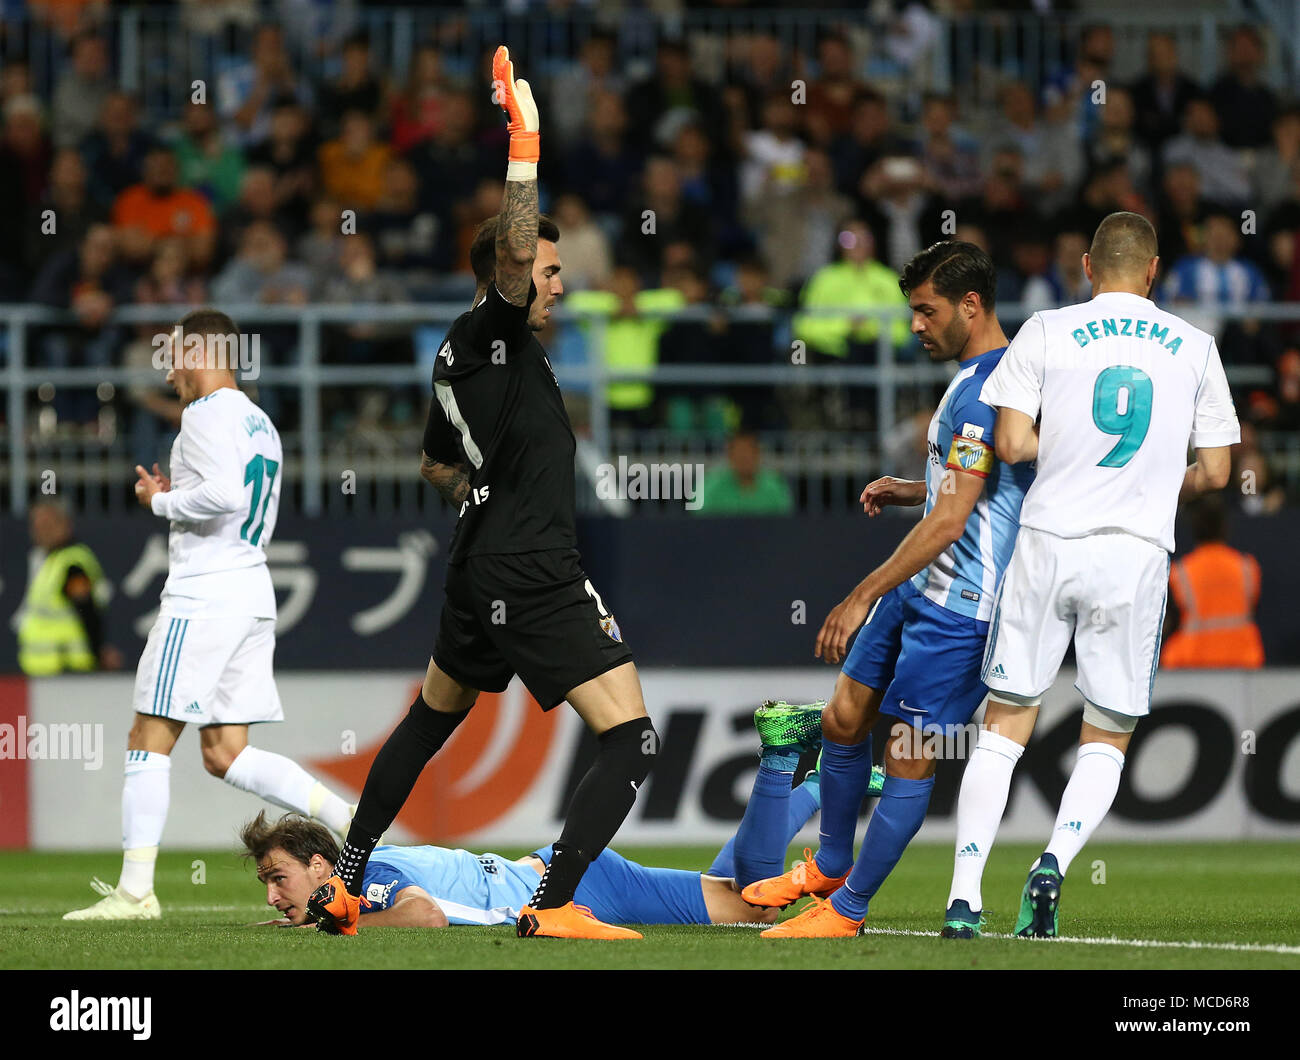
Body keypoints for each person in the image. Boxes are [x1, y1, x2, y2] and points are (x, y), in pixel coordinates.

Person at [307, 48, 660, 943]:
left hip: (479, 565)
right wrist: (525, 142)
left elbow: (436, 465)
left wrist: (486, 495)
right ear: (502, 278)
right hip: (531, 565)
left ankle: (345, 885)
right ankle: (554, 906)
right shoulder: (488, 334)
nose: (558, 281)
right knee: (633, 738)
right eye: (544, 272)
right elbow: (514, 247)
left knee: (428, 722)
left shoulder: (463, 362)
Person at [946, 212, 1239, 939]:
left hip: (1048, 542)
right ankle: (1052, 863)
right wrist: (1157, 477)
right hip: (1134, 552)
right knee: (1106, 736)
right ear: (1153, 271)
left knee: (1003, 730)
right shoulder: (1197, 346)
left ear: (1085, 267)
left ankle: (962, 899)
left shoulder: (1044, 329)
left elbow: (1011, 440)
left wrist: (1070, 453)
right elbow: (1219, 470)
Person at [743, 241, 1034, 938]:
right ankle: (832, 865)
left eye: (925, 311)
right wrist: (919, 488)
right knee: (844, 718)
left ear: (971, 306)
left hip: (963, 604)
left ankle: (847, 911)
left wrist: (863, 592)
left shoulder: (995, 387)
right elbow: (972, 487)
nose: (915, 326)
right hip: (926, 585)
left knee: (909, 747)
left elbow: (956, 517)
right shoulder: (978, 378)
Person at [64, 309, 353, 922]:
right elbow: (236, 494)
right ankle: (346, 819)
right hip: (251, 589)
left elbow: (222, 495)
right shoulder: (261, 422)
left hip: (203, 594)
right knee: (226, 752)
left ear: (199, 350)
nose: (167, 370)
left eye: (171, 353)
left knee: (149, 737)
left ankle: (136, 893)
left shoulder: (203, 414)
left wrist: (160, 499)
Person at [245, 703, 887, 930]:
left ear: (323, 865)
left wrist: (335, 925)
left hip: (569, 887)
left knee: (757, 907)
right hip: (566, 876)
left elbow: (425, 914)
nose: (275, 895)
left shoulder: (367, 876)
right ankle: (815, 780)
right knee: (744, 898)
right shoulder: (361, 876)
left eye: (280, 877)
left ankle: (780, 761)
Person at [17, 500, 120, 675]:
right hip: (46, 669)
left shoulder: (72, 564)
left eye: (47, 525)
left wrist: (98, 651)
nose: (40, 532)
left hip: (67, 666)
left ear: (65, 524)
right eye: (36, 526)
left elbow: (87, 610)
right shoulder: (51, 560)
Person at [1161, 496, 1264, 669]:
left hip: (1192, 661)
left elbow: (1170, 621)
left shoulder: (1180, 572)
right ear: (1225, 528)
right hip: (1244, 660)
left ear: (1194, 529)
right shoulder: (1247, 567)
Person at [694, 431, 793, 515]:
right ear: (730, 456)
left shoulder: (775, 487)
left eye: (748, 453)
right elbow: (698, 526)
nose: (744, 459)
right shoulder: (710, 487)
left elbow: (784, 523)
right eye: (740, 454)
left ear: (758, 455)